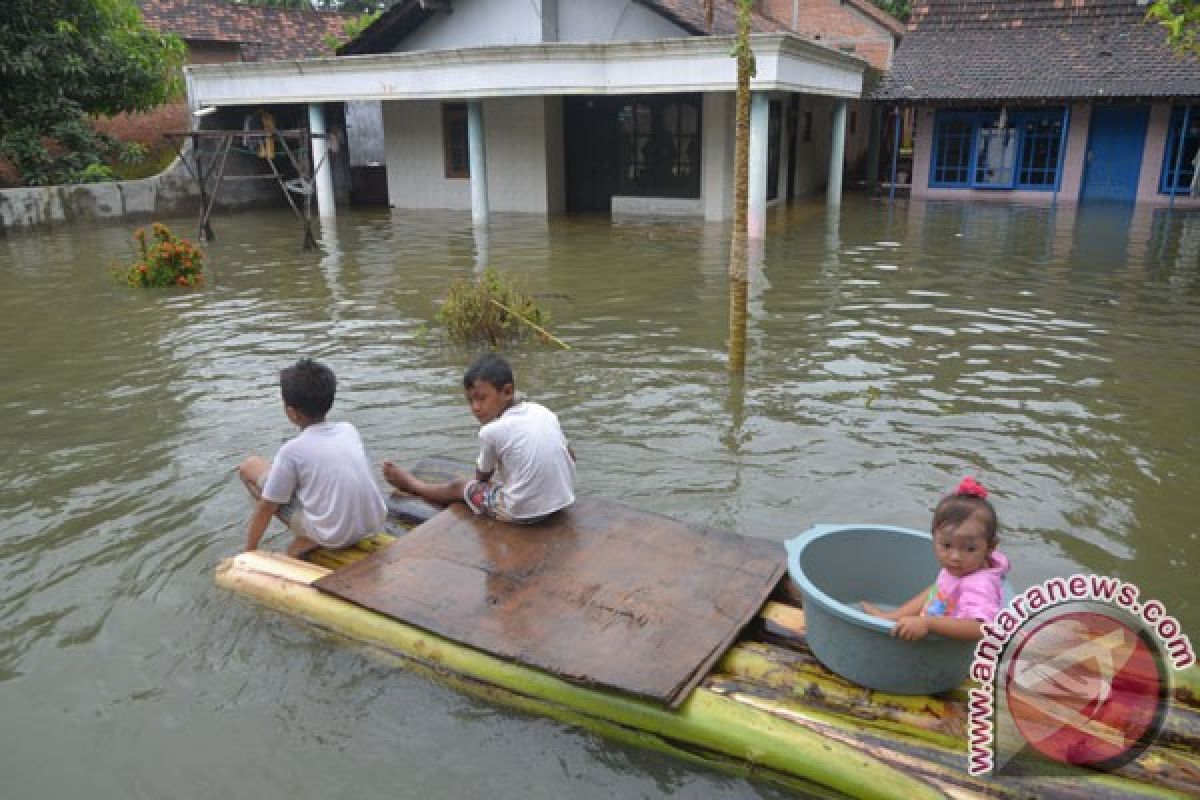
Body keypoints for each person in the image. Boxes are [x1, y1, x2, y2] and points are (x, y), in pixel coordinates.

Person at [383, 352, 575, 524]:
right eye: (470, 400)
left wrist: (483, 481)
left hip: (523, 513)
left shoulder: (491, 431)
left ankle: (413, 485)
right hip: (561, 501)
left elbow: (481, 478)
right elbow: (570, 455)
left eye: (481, 398)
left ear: (507, 392)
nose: (475, 407)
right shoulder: (542, 411)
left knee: (459, 487)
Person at [237, 358, 386, 557]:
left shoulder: (292, 450)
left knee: (249, 468)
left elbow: (266, 508)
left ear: (291, 413)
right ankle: (313, 528)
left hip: (334, 537)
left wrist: (249, 552)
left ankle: (310, 537)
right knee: (292, 483)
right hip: (373, 523)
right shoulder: (349, 429)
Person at [863, 476, 1010, 641]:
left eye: (969, 548)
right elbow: (936, 592)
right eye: (946, 545)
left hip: (946, 652)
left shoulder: (980, 585)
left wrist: (927, 624)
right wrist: (891, 618)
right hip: (932, 623)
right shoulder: (962, 569)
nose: (955, 557)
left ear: (990, 547)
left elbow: (982, 628)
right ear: (934, 538)